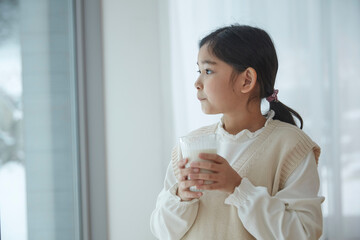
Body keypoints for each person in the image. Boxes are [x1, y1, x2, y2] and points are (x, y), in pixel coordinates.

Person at [150, 24, 324, 240]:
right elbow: (162, 232)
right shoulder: (189, 145)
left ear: (247, 80)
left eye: (208, 71)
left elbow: (303, 234)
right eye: (199, 71)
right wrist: (181, 197)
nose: (197, 83)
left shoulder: (292, 146)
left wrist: (238, 188)